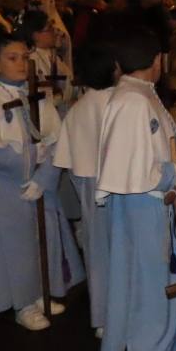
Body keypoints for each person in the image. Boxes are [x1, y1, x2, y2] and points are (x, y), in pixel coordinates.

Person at [94, 30, 176, 351]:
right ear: (157, 60)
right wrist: (171, 174)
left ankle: (166, 345)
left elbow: (166, 143)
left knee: (166, 276)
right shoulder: (131, 101)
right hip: (139, 207)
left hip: (155, 204)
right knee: (139, 285)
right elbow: (133, 167)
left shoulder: (142, 94)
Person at [0, 31, 82, 330]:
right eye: (11, 58)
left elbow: (56, 141)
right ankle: (22, 303)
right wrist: (30, 156)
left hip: (38, 183)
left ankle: (40, 291)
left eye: (24, 57)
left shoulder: (35, 93)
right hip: (4, 186)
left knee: (44, 237)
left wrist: (44, 176)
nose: (20, 63)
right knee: (14, 245)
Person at [54, 43, 120, 333]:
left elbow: (69, 161)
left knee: (97, 252)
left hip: (89, 186)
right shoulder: (122, 103)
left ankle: (102, 318)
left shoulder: (78, 109)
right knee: (123, 251)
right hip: (121, 188)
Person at [20, 10, 75, 111]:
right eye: (49, 28)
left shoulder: (50, 53)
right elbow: (40, 94)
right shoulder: (32, 59)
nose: (54, 31)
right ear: (35, 34)